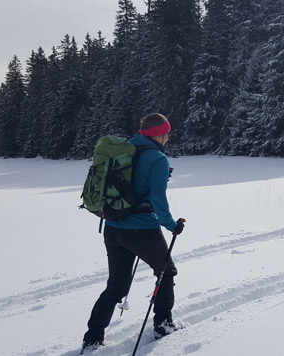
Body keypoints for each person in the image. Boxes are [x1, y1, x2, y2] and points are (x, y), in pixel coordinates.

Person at [82, 113, 186, 350]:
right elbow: (158, 199)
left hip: (113, 228)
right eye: (167, 132)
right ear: (160, 133)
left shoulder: (125, 150)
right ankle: (163, 325)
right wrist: (172, 225)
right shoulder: (157, 159)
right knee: (166, 272)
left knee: (116, 286)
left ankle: (93, 336)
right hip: (142, 231)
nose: (169, 136)